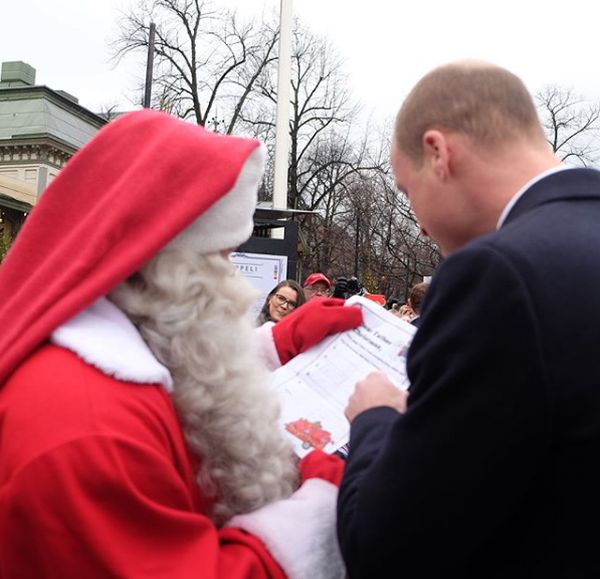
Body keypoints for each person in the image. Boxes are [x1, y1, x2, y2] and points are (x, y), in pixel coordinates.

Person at [0, 110, 362, 578]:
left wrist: (275, 344)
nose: (238, 286)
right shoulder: (88, 428)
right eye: (221, 260)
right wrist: (320, 508)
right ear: (166, 262)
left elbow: (172, 358)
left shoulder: (97, 359)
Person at [337, 60, 600, 578]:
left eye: (407, 192)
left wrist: (375, 419)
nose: (419, 221)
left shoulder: (496, 276)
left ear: (438, 152)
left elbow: (388, 547)